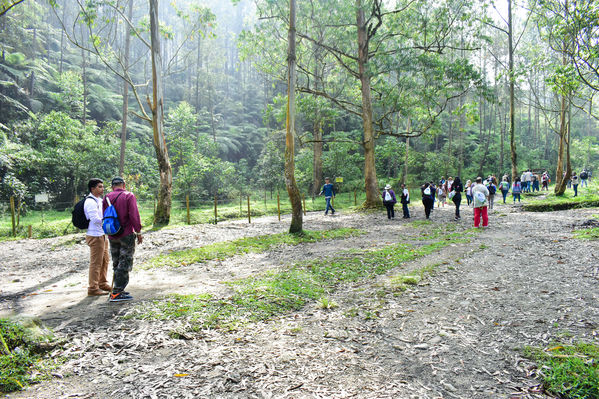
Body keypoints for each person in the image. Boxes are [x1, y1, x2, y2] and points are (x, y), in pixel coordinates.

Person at [103, 177, 143, 302]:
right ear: (124, 185)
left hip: (112, 233)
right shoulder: (128, 195)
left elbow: (103, 214)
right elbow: (134, 215)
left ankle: (117, 289)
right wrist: (138, 231)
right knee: (125, 260)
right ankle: (117, 292)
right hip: (126, 233)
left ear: (112, 186)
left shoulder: (107, 197)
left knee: (116, 261)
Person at [84, 178, 112, 296]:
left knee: (105, 260)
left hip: (102, 234)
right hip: (95, 235)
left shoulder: (99, 200)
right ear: (93, 188)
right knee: (96, 263)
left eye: (102, 186)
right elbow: (94, 219)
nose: (102, 189)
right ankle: (93, 288)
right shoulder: (90, 201)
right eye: (99, 187)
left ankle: (102, 283)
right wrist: (107, 221)